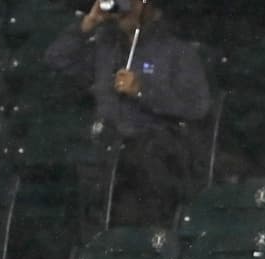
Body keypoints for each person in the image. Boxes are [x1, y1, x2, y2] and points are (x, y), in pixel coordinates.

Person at [43, 0, 212, 232]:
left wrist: (143, 90)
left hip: (156, 158)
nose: (121, 8)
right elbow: (56, 59)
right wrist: (88, 23)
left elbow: (197, 106)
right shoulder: (105, 47)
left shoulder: (177, 51)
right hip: (105, 156)